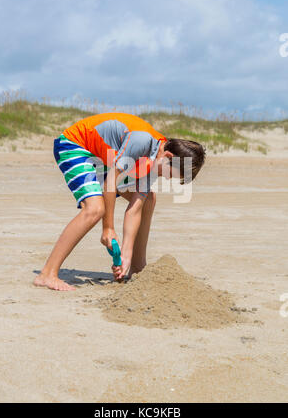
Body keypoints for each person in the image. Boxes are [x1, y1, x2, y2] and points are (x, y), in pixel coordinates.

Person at [34, 112, 206, 291]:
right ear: (168, 156)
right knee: (95, 209)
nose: (166, 178)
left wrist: (126, 253)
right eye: (170, 175)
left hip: (103, 159)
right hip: (74, 145)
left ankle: (137, 268)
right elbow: (111, 181)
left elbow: (135, 207)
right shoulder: (142, 141)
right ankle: (47, 274)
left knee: (148, 199)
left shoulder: (157, 158)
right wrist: (108, 229)